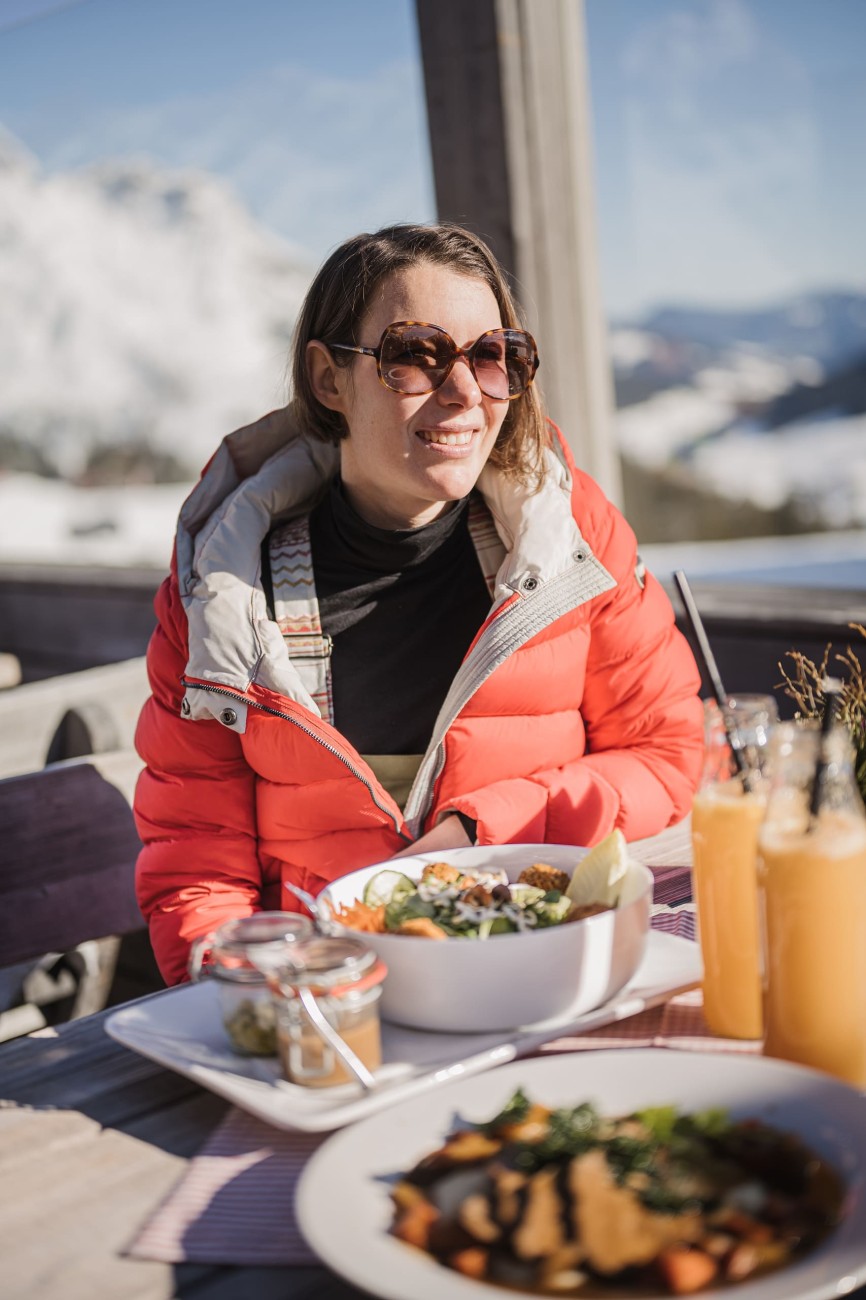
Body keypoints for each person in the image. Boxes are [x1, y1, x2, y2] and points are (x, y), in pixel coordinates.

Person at [134, 222, 703, 986]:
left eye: (493, 355)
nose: (465, 391)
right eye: (416, 355)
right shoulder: (223, 596)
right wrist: (249, 992)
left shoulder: (570, 545)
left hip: (532, 972)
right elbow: (197, 861)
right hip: (329, 997)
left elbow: (667, 753)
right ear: (329, 378)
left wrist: (482, 830)